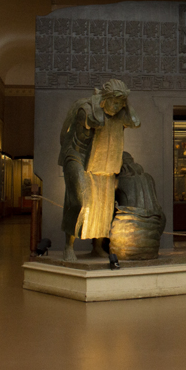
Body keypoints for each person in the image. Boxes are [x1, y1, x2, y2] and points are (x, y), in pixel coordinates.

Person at [58, 79, 140, 261]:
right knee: (81, 202)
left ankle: (96, 246)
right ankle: (68, 246)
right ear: (104, 99)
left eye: (120, 103)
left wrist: (126, 103)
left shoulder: (120, 112)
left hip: (103, 161)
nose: (117, 107)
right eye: (114, 102)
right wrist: (100, 102)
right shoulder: (86, 109)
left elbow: (135, 122)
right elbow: (94, 122)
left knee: (104, 207)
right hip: (78, 157)